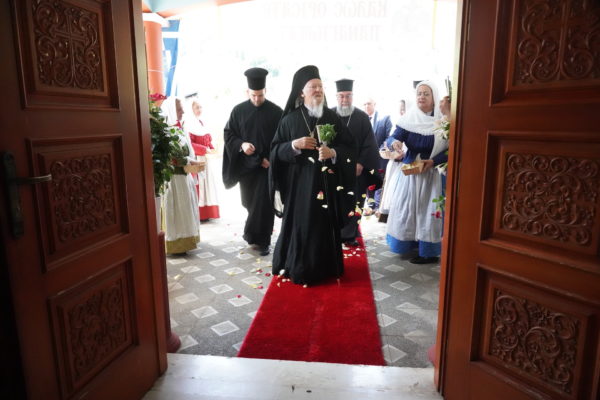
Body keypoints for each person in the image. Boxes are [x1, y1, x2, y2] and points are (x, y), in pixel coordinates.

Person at [269, 65, 356, 286]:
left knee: (323, 225)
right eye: (313, 87)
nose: (318, 90)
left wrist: (333, 152)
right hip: (298, 186)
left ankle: (327, 267)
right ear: (301, 92)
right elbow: (275, 151)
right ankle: (299, 267)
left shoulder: (332, 117)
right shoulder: (289, 120)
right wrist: (294, 145)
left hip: (326, 184)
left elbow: (349, 147)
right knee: (302, 225)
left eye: (320, 86)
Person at [385, 81, 449, 264]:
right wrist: (394, 143)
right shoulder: (409, 118)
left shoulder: (444, 122)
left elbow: (451, 148)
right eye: (419, 93)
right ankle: (407, 244)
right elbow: (393, 137)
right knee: (407, 209)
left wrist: (434, 161)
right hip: (411, 173)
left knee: (428, 212)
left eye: (426, 94)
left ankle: (428, 252)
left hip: (432, 173)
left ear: (434, 97)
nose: (421, 97)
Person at [222, 68, 282, 256]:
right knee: (249, 203)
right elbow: (229, 134)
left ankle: (263, 241)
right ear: (247, 92)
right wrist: (242, 144)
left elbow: (282, 140)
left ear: (265, 91)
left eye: (260, 95)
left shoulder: (276, 112)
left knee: (263, 205)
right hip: (246, 168)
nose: (257, 99)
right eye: (253, 95)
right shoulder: (238, 111)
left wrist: (270, 160)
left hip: (266, 168)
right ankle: (254, 236)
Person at [332, 79, 380, 246]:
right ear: (336, 97)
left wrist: (360, 163)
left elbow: (370, 143)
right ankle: (335, 232)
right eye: (341, 96)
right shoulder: (328, 115)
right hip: (335, 168)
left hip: (355, 170)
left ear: (352, 97)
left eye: (348, 96)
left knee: (355, 201)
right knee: (336, 201)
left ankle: (350, 234)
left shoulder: (361, 117)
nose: (345, 100)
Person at [161, 96, 202, 255]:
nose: (183, 112)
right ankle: (175, 244)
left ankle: (187, 241)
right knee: (176, 211)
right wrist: (188, 160)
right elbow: (169, 157)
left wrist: (192, 161)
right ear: (171, 110)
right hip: (173, 180)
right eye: (179, 109)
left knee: (185, 210)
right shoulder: (164, 132)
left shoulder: (179, 130)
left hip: (184, 178)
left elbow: (186, 152)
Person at [184, 94, 221, 221]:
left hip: (205, 159)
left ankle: (207, 213)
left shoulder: (201, 123)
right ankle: (200, 214)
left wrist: (212, 148)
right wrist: (204, 149)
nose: (199, 110)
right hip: (197, 159)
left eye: (200, 107)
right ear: (191, 110)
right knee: (199, 185)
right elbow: (190, 144)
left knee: (207, 185)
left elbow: (207, 139)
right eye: (196, 108)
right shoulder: (189, 124)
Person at [363, 96, 393, 216]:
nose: (366, 106)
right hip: (366, 158)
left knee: (379, 180)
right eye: (364, 104)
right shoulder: (360, 119)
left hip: (380, 157)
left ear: (374, 104)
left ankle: (378, 206)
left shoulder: (384, 118)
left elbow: (389, 137)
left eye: (369, 103)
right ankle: (370, 206)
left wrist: (380, 149)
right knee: (368, 181)